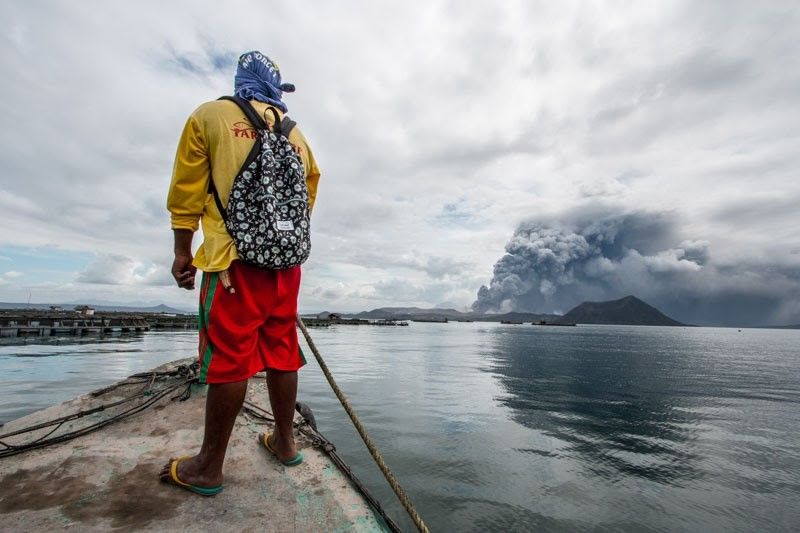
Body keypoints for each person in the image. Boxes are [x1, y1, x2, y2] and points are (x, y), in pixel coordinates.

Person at [160, 51, 320, 495]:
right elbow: (307, 196)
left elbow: (186, 190)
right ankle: (285, 443)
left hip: (233, 263)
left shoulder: (210, 116)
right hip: (286, 268)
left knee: (229, 358)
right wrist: (276, 241)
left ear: (240, 81)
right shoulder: (296, 134)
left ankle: (208, 468)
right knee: (282, 350)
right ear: (275, 89)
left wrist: (182, 251)